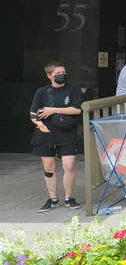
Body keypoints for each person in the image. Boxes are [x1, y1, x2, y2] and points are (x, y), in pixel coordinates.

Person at [29, 61, 83, 212]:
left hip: (66, 131)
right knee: (48, 167)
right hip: (46, 132)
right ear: (49, 76)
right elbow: (33, 113)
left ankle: (69, 198)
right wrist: (40, 124)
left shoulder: (73, 89)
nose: (61, 75)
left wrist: (53, 110)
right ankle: (53, 199)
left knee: (69, 166)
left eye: (63, 73)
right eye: (58, 74)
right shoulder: (42, 92)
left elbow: (77, 110)